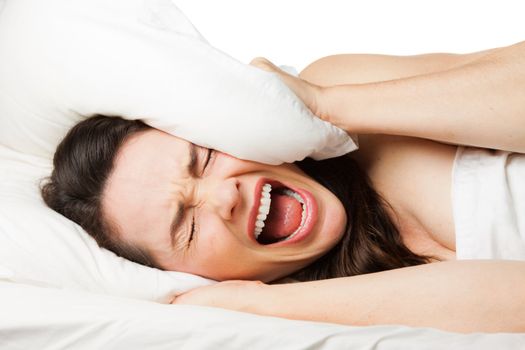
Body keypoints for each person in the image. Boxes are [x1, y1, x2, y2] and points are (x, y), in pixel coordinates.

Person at [41, 40, 525, 333]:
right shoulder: (301, 316)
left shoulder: (344, 93)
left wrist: (326, 106)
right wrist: (262, 303)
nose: (223, 196)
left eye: (203, 158)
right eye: (187, 227)